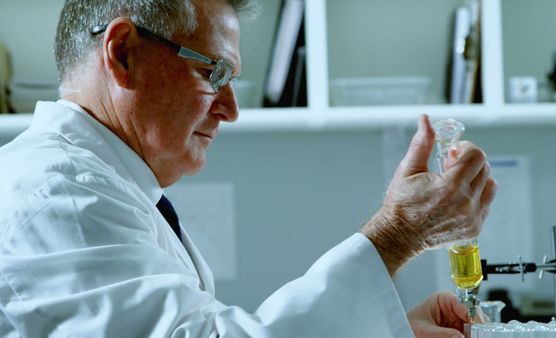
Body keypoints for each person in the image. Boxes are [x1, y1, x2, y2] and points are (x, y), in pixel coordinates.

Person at [0, 0, 497, 337]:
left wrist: (385, 328)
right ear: (123, 52)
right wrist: (398, 233)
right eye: (213, 72)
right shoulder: (56, 195)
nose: (231, 108)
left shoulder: (100, 185)